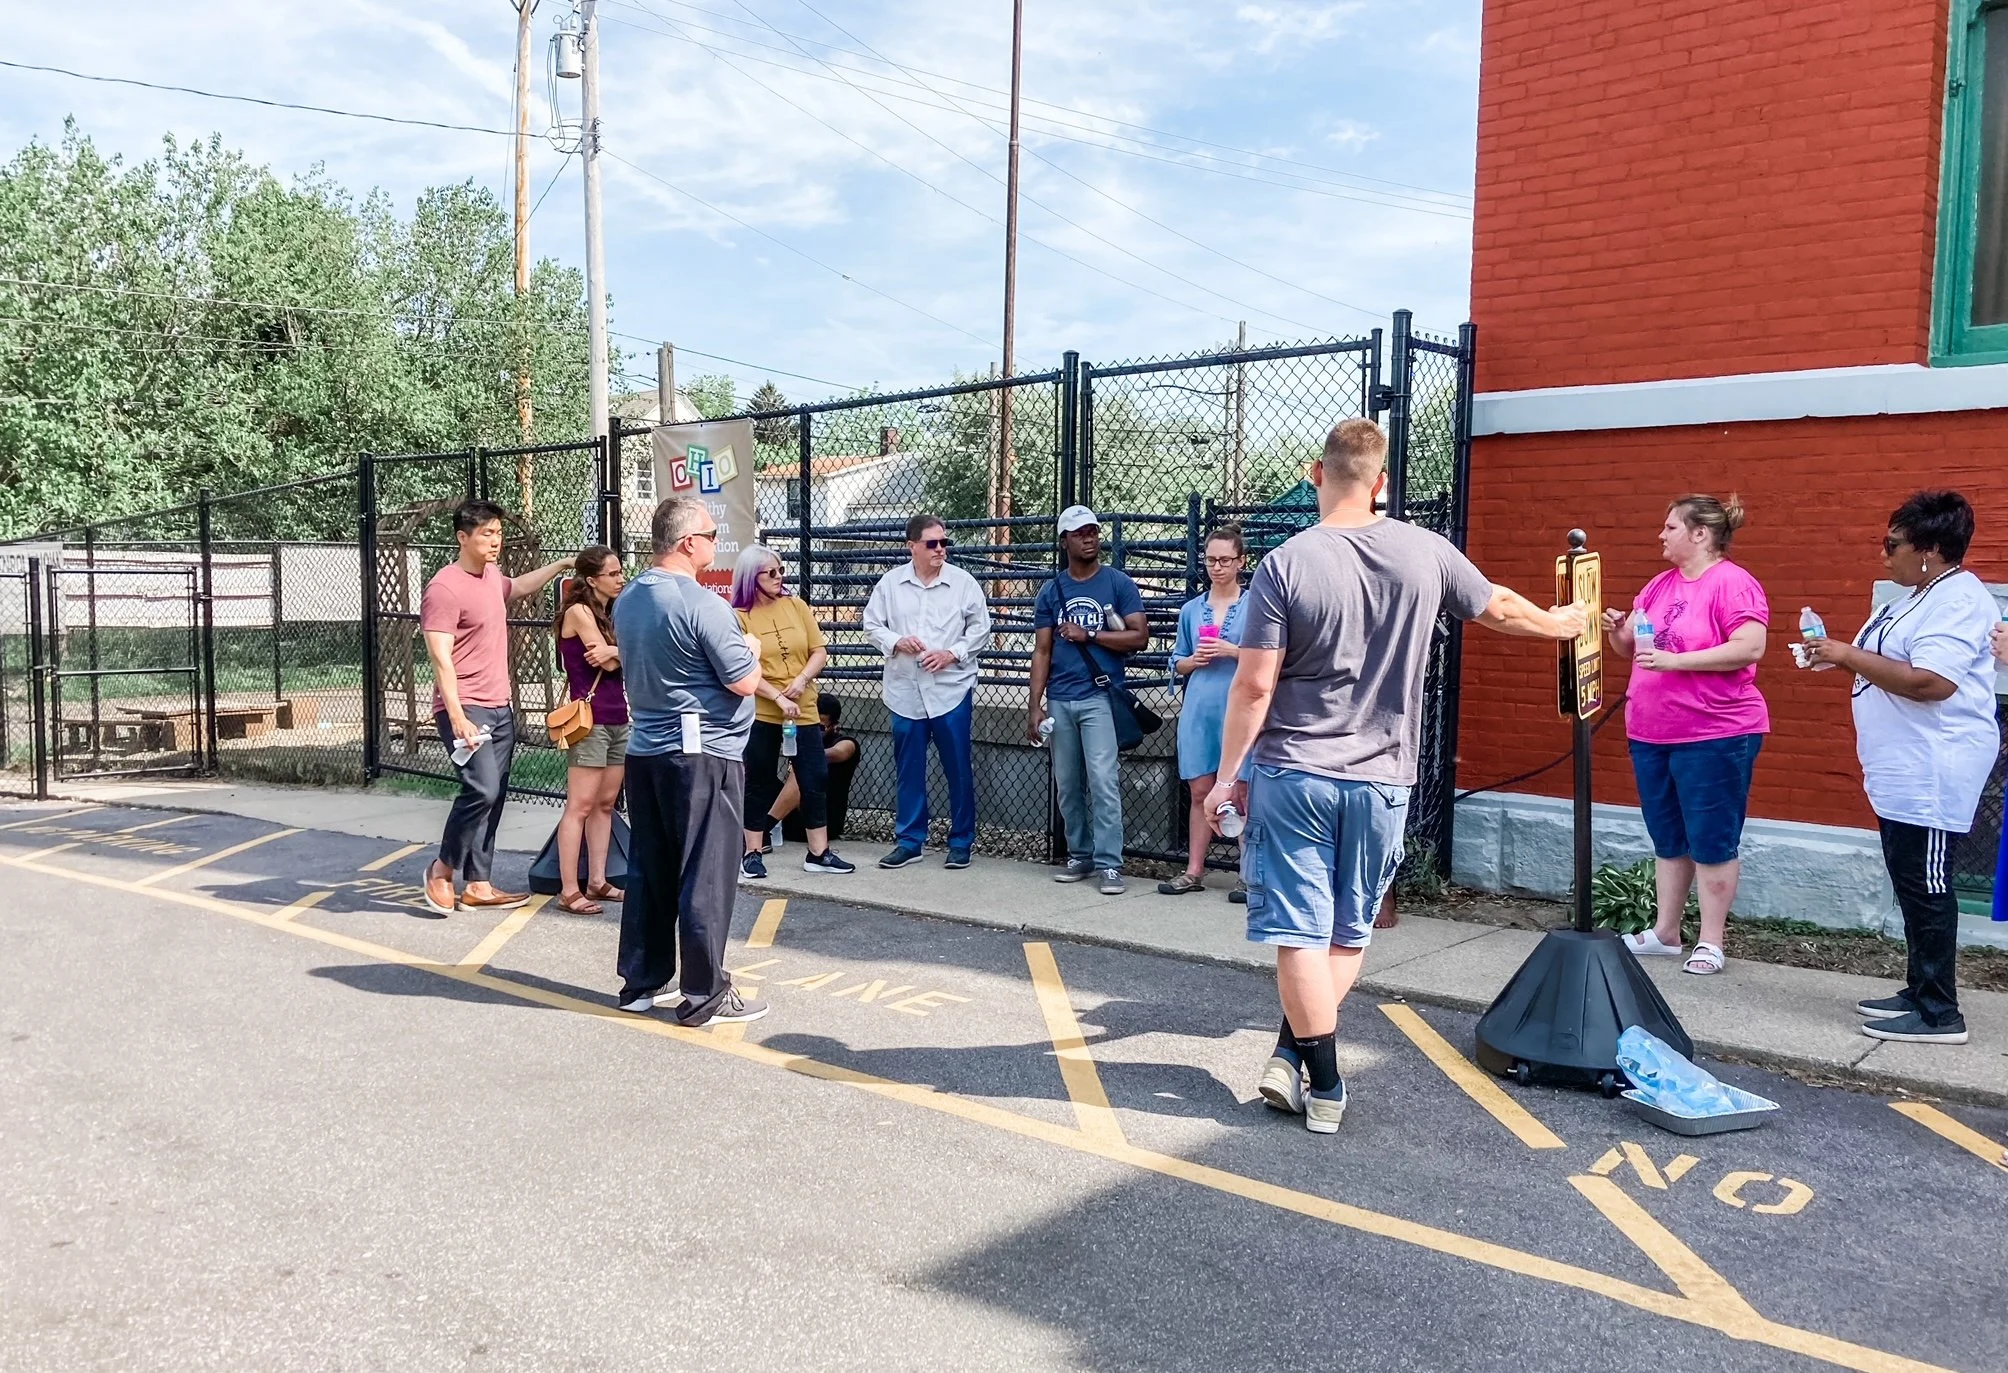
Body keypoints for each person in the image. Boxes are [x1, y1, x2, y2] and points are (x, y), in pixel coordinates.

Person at [1206, 419, 1582, 1134]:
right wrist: (1560, 623)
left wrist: (1227, 777)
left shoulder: (1286, 563)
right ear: (1380, 482)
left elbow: (1253, 688)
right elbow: (1498, 604)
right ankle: (1293, 1056)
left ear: (1318, 475)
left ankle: (1324, 1080)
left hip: (1297, 774)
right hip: (1384, 778)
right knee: (1347, 934)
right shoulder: (1425, 550)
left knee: (1300, 936)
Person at [1804, 490, 1999, 1046]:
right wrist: (1835, 656)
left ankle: (1940, 1012)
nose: (1883, 553)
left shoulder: (1958, 600)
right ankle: (1918, 989)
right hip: (1901, 768)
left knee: (1928, 884)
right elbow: (1888, 668)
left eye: (1893, 544)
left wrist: (1845, 654)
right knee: (1911, 881)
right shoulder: (1914, 596)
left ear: (1931, 550)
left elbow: (1931, 683)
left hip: (1935, 768)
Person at [610, 496, 769, 1027]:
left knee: (651, 867)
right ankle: (705, 993)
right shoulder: (702, 603)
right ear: (686, 544)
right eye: (708, 533)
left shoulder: (629, 597)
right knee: (705, 873)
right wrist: (751, 647)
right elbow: (742, 680)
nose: (715, 541)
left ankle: (640, 981)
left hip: (647, 751)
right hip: (702, 755)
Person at [1600, 496, 1769, 976]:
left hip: (1715, 731)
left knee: (1712, 837)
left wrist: (1676, 662)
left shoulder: (1733, 584)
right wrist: (1616, 630)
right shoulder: (1658, 585)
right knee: (1668, 835)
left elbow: (1750, 646)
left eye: (1670, 526)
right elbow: (1632, 648)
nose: (1661, 534)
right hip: (1653, 729)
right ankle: (1666, 933)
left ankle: (1711, 941)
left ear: (1700, 535)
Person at [419, 500, 573, 916]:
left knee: (496, 795)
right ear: (462, 537)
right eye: (486, 533)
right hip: (466, 708)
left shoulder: (490, 577)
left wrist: (560, 565)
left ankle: (479, 885)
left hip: (500, 706)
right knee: (481, 789)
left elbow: (517, 586)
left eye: (498, 533)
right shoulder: (444, 588)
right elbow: (440, 659)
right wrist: (456, 717)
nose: (495, 541)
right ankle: (441, 868)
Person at [1028, 506, 1151, 896]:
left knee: (1103, 781)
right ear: (1064, 540)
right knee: (1067, 782)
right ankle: (1080, 854)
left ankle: (1110, 863)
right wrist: (1035, 704)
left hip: (1099, 695)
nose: (1089, 538)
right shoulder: (1052, 590)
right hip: (1061, 698)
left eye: (1093, 531)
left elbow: (1139, 637)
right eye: (1080, 533)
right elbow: (1042, 651)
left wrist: (1091, 636)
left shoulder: (1117, 583)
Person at [862, 513, 992, 870]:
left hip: (950, 690)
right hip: (905, 691)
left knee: (958, 768)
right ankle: (909, 841)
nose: (940, 550)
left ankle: (961, 841)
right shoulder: (890, 584)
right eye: (932, 543)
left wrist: (952, 654)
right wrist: (896, 641)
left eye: (944, 543)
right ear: (912, 546)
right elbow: (872, 625)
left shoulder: (963, 583)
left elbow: (981, 629)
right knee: (908, 769)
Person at [732, 545, 854, 878]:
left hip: (804, 710)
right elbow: (741, 667)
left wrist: (801, 681)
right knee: (756, 780)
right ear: (751, 577)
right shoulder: (740, 616)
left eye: (781, 570)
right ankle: (752, 852)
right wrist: (777, 696)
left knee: (814, 776)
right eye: (770, 572)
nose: (779, 577)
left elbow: (819, 651)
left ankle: (819, 853)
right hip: (763, 712)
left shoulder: (796, 606)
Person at [1160, 525, 1247, 896]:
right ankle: (1194, 871)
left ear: (1241, 561)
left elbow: (1269, 658)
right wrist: (1192, 661)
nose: (1217, 567)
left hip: (1240, 707)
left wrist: (1232, 651)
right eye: (1211, 560)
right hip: (1200, 707)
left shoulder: (1255, 605)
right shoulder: (1191, 610)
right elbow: (1175, 661)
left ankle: (1249, 875)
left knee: (1243, 792)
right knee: (1200, 790)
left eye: (1225, 560)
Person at [553, 545, 630, 915]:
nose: (620, 579)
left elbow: (618, 656)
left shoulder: (610, 612)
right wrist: (620, 653)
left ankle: (597, 880)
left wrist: (617, 651)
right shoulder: (580, 611)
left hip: (618, 716)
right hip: (591, 719)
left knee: (605, 804)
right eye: (612, 574)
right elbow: (611, 664)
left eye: (620, 572)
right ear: (591, 579)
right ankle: (570, 889)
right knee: (580, 806)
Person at [777, 697, 860, 846]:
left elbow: (840, 751)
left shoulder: (845, 743)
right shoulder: (798, 739)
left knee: (804, 769)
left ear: (835, 727)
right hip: (790, 818)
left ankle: (767, 824)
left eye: (820, 727)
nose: (813, 731)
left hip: (825, 822)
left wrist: (805, 754)